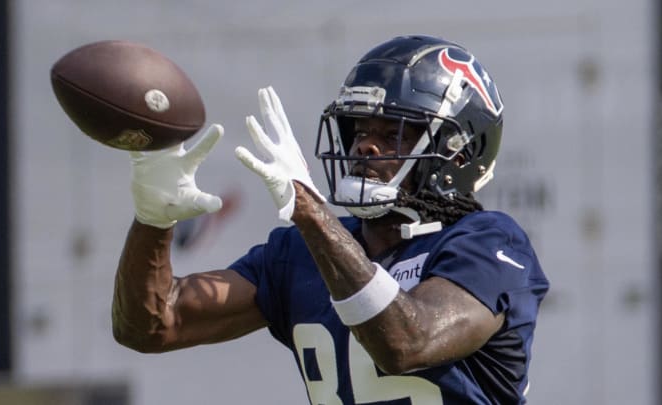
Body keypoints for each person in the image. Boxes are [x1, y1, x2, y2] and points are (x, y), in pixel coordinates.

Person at [112, 35, 550, 404]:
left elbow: (408, 343)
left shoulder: (489, 243)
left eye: (392, 132)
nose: (365, 148)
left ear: (458, 150)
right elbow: (151, 325)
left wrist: (310, 212)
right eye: (359, 131)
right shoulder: (299, 253)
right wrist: (152, 219)